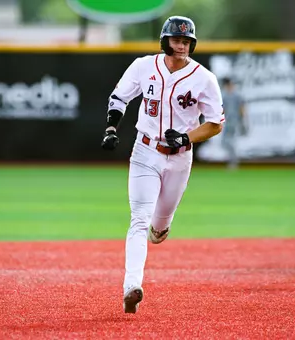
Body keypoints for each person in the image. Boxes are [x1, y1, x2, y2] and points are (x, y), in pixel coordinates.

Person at [100, 16, 224, 314]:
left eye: (186, 41)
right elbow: (119, 97)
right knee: (138, 219)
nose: (181, 45)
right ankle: (131, 286)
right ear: (165, 41)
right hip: (145, 151)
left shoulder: (204, 78)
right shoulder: (144, 66)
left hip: (180, 158)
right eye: (176, 40)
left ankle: (162, 227)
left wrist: (185, 137)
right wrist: (111, 128)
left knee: (158, 224)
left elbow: (216, 124)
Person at [221, 77, 246, 169]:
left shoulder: (236, 95)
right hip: (228, 121)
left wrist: (243, 121)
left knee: (228, 141)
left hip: (234, 120)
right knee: (226, 142)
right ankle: (233, 160)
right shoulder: (225, 95)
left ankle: (233, 161)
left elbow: (242, 108)